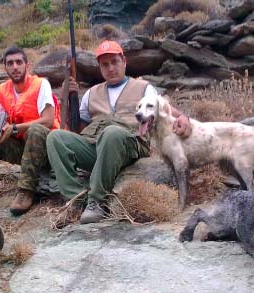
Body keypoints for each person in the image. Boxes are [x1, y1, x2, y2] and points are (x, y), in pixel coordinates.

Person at [46, 40, 190, 224]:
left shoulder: (143, 88)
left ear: (124, 62)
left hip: (131, 144)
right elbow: (77, 129)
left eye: (114, 62)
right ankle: (76, 199)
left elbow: (164, 108)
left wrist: (182, 117)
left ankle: (97, 201)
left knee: (112, 133)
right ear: (99, 68)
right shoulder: (91, 93)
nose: (111, 68)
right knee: (55, 137)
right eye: (105, 64)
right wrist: (65, 98)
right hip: (97, 146)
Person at [0, 45, 60, 215]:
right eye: (10, 63)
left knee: (35, 130)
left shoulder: (40, 84)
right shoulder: (1, 90)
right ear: (5, 68)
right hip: (22, 150)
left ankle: (26, 190)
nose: (15, 67)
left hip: (46, 149)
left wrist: (15, 128)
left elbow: (48, 120)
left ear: (26, 65)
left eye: (18, 62)